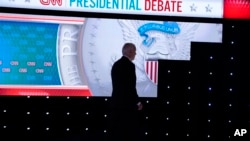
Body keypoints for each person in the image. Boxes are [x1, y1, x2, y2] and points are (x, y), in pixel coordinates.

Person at [109, 42, 144, 141]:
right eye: (135, 52)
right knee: (128, 134)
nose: (135, 54)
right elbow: (130, 87)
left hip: (116, 104)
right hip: (127, 106)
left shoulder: (116, 64)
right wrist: (138, 102)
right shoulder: (129, 65)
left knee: (117, 134)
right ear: (130, 51)